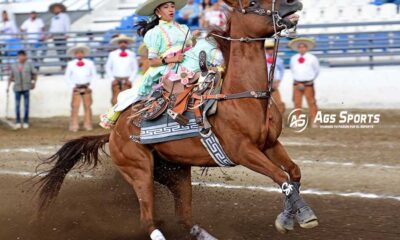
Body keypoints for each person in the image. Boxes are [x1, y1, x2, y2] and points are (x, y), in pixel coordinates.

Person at [99, 0, 224, 129]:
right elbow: (153, 62)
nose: (171, 9)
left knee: (208, 44)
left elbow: (189, 48)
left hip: (186, 60)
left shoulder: (183, 28)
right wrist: (172, 59)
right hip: (168, 66)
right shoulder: (155, 32)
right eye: (166, 7)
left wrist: (192, 38)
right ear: (158, 11)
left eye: (172, 6)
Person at [65, 44, 97, 132]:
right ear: (75, 54)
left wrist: (91, 86)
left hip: (87, 87)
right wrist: (72, 86)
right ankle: (74, 125)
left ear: (83, 54)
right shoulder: (71, 64)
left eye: (81, 53)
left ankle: (88, 124)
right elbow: (67, 77)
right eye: (77, 53)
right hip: (76, 88)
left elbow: (94, 75)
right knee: (75, 107)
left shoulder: (90, 63)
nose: (79, 54)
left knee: (88, 106)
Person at [288, 38, 320, 125]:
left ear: (306, 48)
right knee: (297, 103)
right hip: (297, 83)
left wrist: (310, 79)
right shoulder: (293, 58)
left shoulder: (312, 58)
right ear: (298, 48)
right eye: (300, 47)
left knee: (312, 102)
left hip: (308, 84)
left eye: (303, 47)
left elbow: (317, 70)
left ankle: (314, 120)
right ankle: (297, 120)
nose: (302, 49)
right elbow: (292, 69)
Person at [7, 50, 37, 129]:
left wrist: (34, 83)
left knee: (26, 105)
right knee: (17, 106)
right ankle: (18, 121)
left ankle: (26, 121)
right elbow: (10, 77)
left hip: (26, 87)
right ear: (18, 56)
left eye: (23, 55)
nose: (21, 57)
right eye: (20, 56)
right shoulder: (14, 66)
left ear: (25, 56)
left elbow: (34, 74)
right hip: (17, 88)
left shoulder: (29, 65)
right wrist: (8, 86)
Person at [105, 34, 138, 105]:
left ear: (127, 44)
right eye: (121, 42)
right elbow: (108, 67)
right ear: (118, 44)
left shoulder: (132, 54)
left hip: (127, 80)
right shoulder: (112, 54)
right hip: (116, 80)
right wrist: (112, 79)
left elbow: (135, 68)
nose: (123, 44)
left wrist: (131, 79)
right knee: (115, 100)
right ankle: (114, 115)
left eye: (125, 42)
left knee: (127, 101)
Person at [265, 39, 286, 115]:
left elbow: (282, 70)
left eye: (271, 48)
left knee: (277, 102)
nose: (270, 50)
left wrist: (278, 81)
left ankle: (279, 119)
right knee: (265, 102)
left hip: (273, 82)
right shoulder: (262, 59)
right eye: (268, 48)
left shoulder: (278, 59)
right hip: (263, 83)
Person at [48, 3, 71, 67]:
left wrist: (67, 34)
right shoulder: (53, 18)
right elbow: (52, 27)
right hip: (55, 36)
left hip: (62, 35)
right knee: (58, 50)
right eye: (54, 9)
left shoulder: (64, 16)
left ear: (60, 9)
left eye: (57, 8)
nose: (55, 10)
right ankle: (62, 64)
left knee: (63, 50)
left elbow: (67, 25)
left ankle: (65, 64)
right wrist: (50, 35)